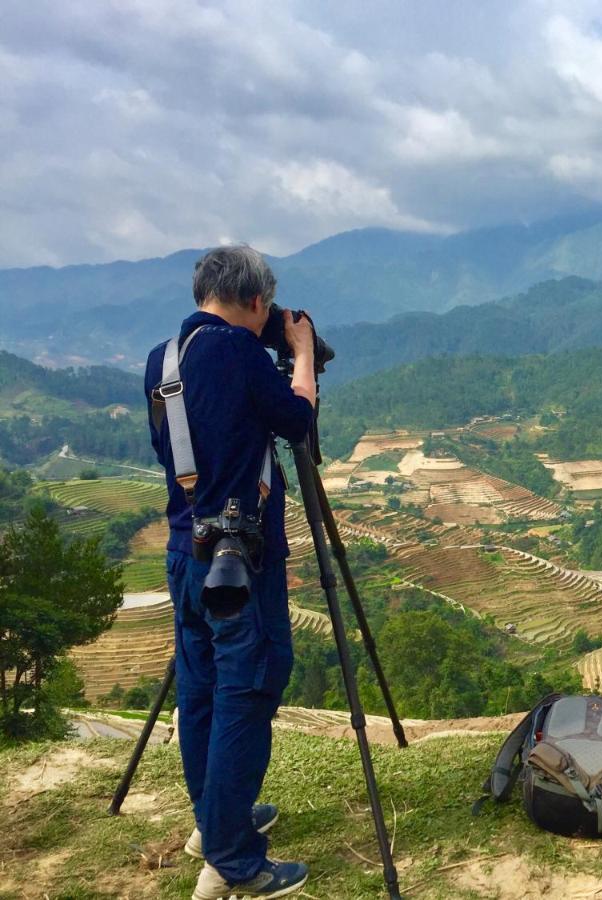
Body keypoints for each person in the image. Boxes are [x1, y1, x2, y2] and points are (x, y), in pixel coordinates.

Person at [145, 245, 315, 899]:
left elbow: (184, 448)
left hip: (184, 551)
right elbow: (297, 421)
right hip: (239, 561)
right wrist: (299, 354)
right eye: (267, 306)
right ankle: (235, 858)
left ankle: (213, 821)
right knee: (249, 685)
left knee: (201, 690)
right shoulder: (241, 353)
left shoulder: (161, 360)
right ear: (255, 301)